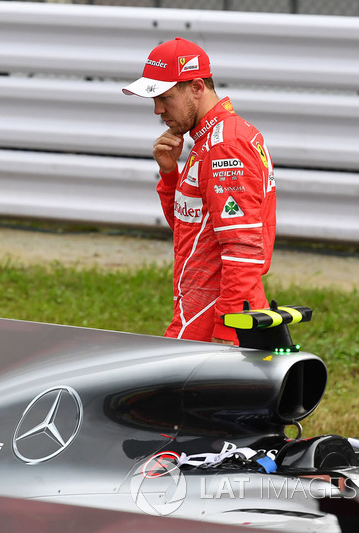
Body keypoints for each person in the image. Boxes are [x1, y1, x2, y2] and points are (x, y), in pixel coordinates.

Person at [123, 37, 276, 345]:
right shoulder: (208, 140)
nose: (157, 110)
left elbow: (243, 247)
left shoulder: (225, 146)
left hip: (213, 314)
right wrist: (169, 175)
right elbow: (190, 229)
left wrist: (227, 326)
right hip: (203, 304)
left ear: (196, 87)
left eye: (165, 98)